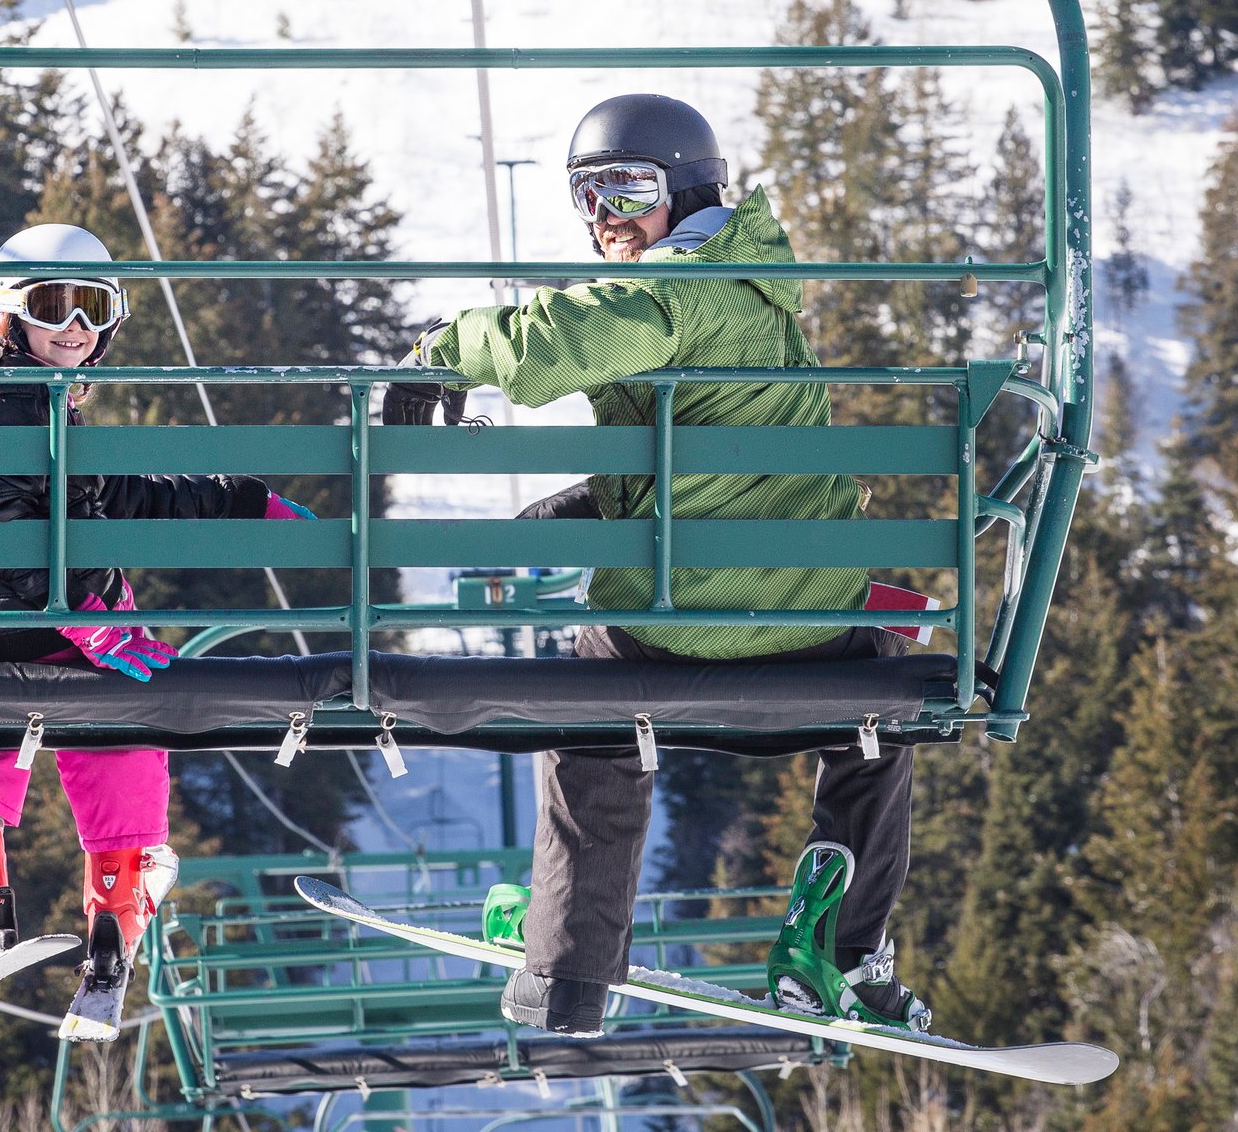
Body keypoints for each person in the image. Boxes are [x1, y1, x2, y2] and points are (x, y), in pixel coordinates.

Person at [383, 94, 928, 1036]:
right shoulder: (753, 296)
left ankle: (569, 964)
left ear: (685, 190)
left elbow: (554, 343)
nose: (605, 219)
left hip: (671, 629)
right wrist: (600, 501)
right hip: (811, 630)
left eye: (626, 189)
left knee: (591, 709)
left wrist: (441, 349)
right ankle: (839, 947)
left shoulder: (676, 290)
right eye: (585, 198)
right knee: (877, 710)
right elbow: (717, 460)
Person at [0, 222, 312, 989]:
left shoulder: (19, 400)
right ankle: (119, 898)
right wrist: (80, 613)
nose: (75, 329)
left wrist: (237, 499)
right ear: (6, 314)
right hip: (41, 627)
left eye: (93, 309)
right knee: (121, 722)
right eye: (54, 306)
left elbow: (118, 493)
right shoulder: (8, 405)